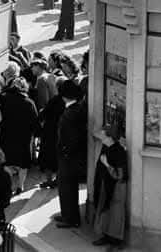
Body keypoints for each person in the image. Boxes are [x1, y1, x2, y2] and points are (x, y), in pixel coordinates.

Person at [52, 78, 87, 229]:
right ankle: (67, 214)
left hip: (69, 157)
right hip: (71, 156)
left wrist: (65, 152)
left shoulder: (71, 113)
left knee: (67, 188)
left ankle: (71, 218)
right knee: (66, 187)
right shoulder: (76, 109)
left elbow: (71, 137)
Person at [91, 122, 127, 247]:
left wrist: (107, 164)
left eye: (104, 136)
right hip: (106, 184)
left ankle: (115, 241)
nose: (101, 138)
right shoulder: (107, 147)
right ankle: (106, 236)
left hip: (116, 188)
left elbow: (119, 175)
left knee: (115, 214)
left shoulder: (119, 151)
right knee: (105, 210)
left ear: (110, 137)